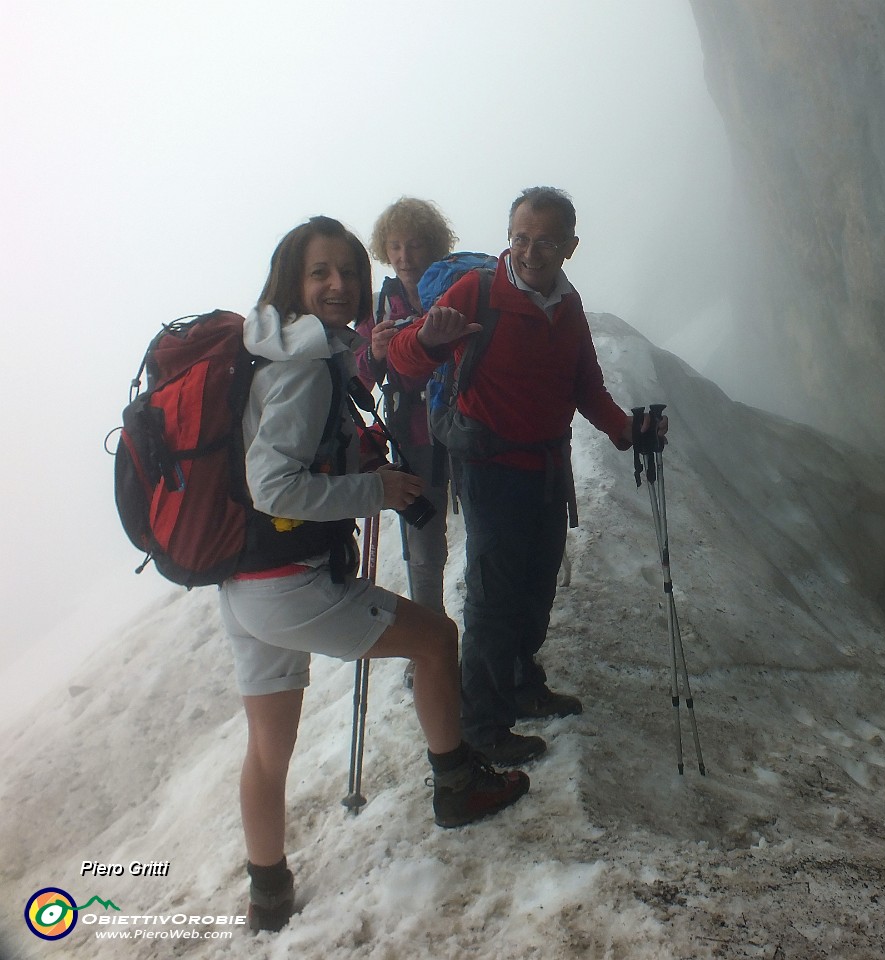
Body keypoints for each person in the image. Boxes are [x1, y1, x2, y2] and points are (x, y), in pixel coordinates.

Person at [221, 216, 528, 933]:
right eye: (320, 273)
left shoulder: (273, 348)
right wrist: (374, 491)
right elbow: (273, 485)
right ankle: (457, 786)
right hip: (288, 578)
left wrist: (352, 466)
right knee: (434, 640)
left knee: (268, 746)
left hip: (242, 582)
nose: (338, 285)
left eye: (348, 272)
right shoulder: (302, 367)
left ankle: (268, 893)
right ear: (294, 281)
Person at [387, 187, 666, 766]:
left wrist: (626, 431)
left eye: (544, 241)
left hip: (545, 466)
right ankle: (481, 723)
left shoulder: (567, 305)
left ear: (570, 246)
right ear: (508, 238)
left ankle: (519, 682)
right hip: (489, 468)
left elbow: (584, 384)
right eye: (520, 238)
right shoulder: (478, 292)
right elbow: (407, 362)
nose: (530, 251)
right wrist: (428, 338)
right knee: (493, 596)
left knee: (536, 585)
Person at [356, 197, 457, 690]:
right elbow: (362, 377)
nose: (403, 255)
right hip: (415, 437)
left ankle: (467, 646)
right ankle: (430, 649)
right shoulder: (382, 304)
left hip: (463, 428)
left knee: (482, 535)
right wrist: (373, 355)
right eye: (394, 245)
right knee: (423, 546)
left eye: (413, 243)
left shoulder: (454, 286)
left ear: (432, 244)